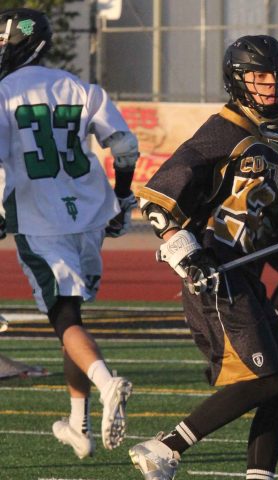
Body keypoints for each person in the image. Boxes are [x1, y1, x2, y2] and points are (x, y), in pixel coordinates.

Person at [130, 35, 278, 480]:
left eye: (277, 79)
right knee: (265, 380)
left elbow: (275, 215)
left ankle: (260, 476)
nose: (270, 87)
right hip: (217, 275)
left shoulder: (266, 144)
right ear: (237, 82)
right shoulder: (223, 132)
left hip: (246, 276)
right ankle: (165, 447)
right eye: (259, 78)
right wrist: (188, 254)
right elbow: (157, 199)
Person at [0, 8, 137, 459]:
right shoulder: (79, 87)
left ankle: (106, 381)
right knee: (72, 318)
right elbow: (124, 146)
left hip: (41, 220)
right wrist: (121, 198)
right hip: (90, 214)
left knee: (64, 318)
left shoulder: (3, 93)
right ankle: (78, 423)